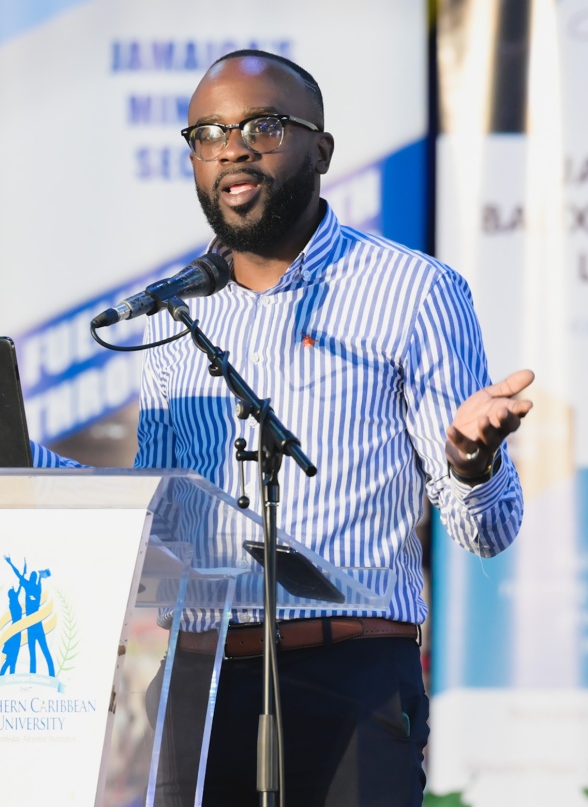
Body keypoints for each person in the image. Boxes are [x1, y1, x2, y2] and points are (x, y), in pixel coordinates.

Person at [35, 49, 533, 807]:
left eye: (261, 125)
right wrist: (19, 466)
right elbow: (163, 519)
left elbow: (487, 531)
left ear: (322, 149)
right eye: (206, 133)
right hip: (199, 686)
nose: (231, 147)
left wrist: (470, 462)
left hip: (350, 679)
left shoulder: (415, 292)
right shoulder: (176, 311)